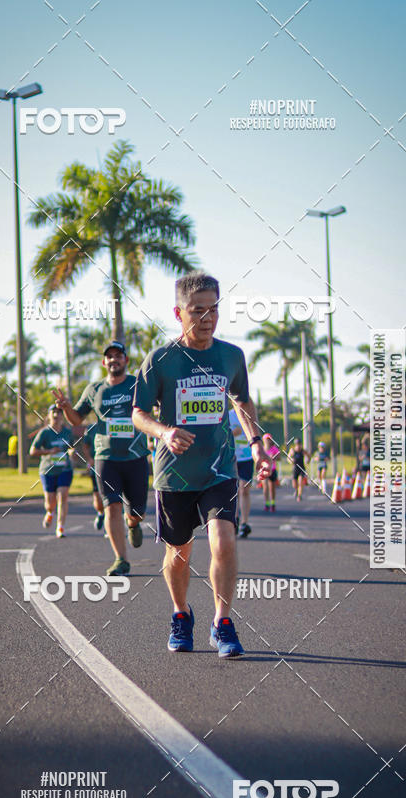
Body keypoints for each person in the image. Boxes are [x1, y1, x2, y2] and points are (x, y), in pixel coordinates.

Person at [132, 271, 271, 658]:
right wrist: (163, 432)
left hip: (220, 468)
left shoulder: (231, 356)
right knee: (179, 554)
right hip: (174, 473)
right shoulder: (161, 360)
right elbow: (138, 413)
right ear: (179, 313)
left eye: (213, 309)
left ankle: (222, 622)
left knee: (223, 541)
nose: (207, 318)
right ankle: (181, 614)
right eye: (197, 310)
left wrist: (257, 444)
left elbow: (242, 401)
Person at [53, 341, 149, 576]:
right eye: (110, 357)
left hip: (136, 456)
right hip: (105, 457)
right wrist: (66, 407)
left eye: (119, 356)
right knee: (112, 507)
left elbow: (155, 407)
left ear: (126, 360)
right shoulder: (94, 389)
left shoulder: (138, 384)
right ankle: (121, 559)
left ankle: (133, 522)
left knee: (136, 511)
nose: (114, 360)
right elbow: (76, 420)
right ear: (104, 362)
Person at [29, 404, 76, 538]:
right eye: (53, 412)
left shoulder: (67, 432)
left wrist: (72, 452)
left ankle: (60, 527)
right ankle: (50, 512)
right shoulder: (44, 433)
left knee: (63, 496)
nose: (56, 415)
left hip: (65, 469)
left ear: (63, 416)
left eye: (59, 412)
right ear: (49, 416)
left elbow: (72, 447)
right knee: (50, 503)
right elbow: (32, 451)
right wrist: (49, 451)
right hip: (48, 470)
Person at [229, 405, 253, 537]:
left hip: (247, 457)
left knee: (244, 489)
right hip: (232, 457)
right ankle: (235, 519)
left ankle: (245, 522)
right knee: (234, 490)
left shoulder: (248, 413)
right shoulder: (228, 414)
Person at [81, 425, 104, 530]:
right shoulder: (90, 428)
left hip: (111, 464)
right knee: (98, 499)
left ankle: (110, 526)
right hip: (95, 466)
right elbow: (85, 446)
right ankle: (100, 513)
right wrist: (90, 459)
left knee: (113, 498)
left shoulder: (114, 422)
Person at [261, 433, 280, 512]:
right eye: (266, 439)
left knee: (272, 487)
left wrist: (274, 457)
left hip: (272, 469)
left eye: (269, 439)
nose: (268, 441)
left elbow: (279, 458)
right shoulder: (261, 448)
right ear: (263, 440)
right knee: (265, 487)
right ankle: (267, 503)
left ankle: (273, 503)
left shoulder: (274, 448)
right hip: (264, 469)